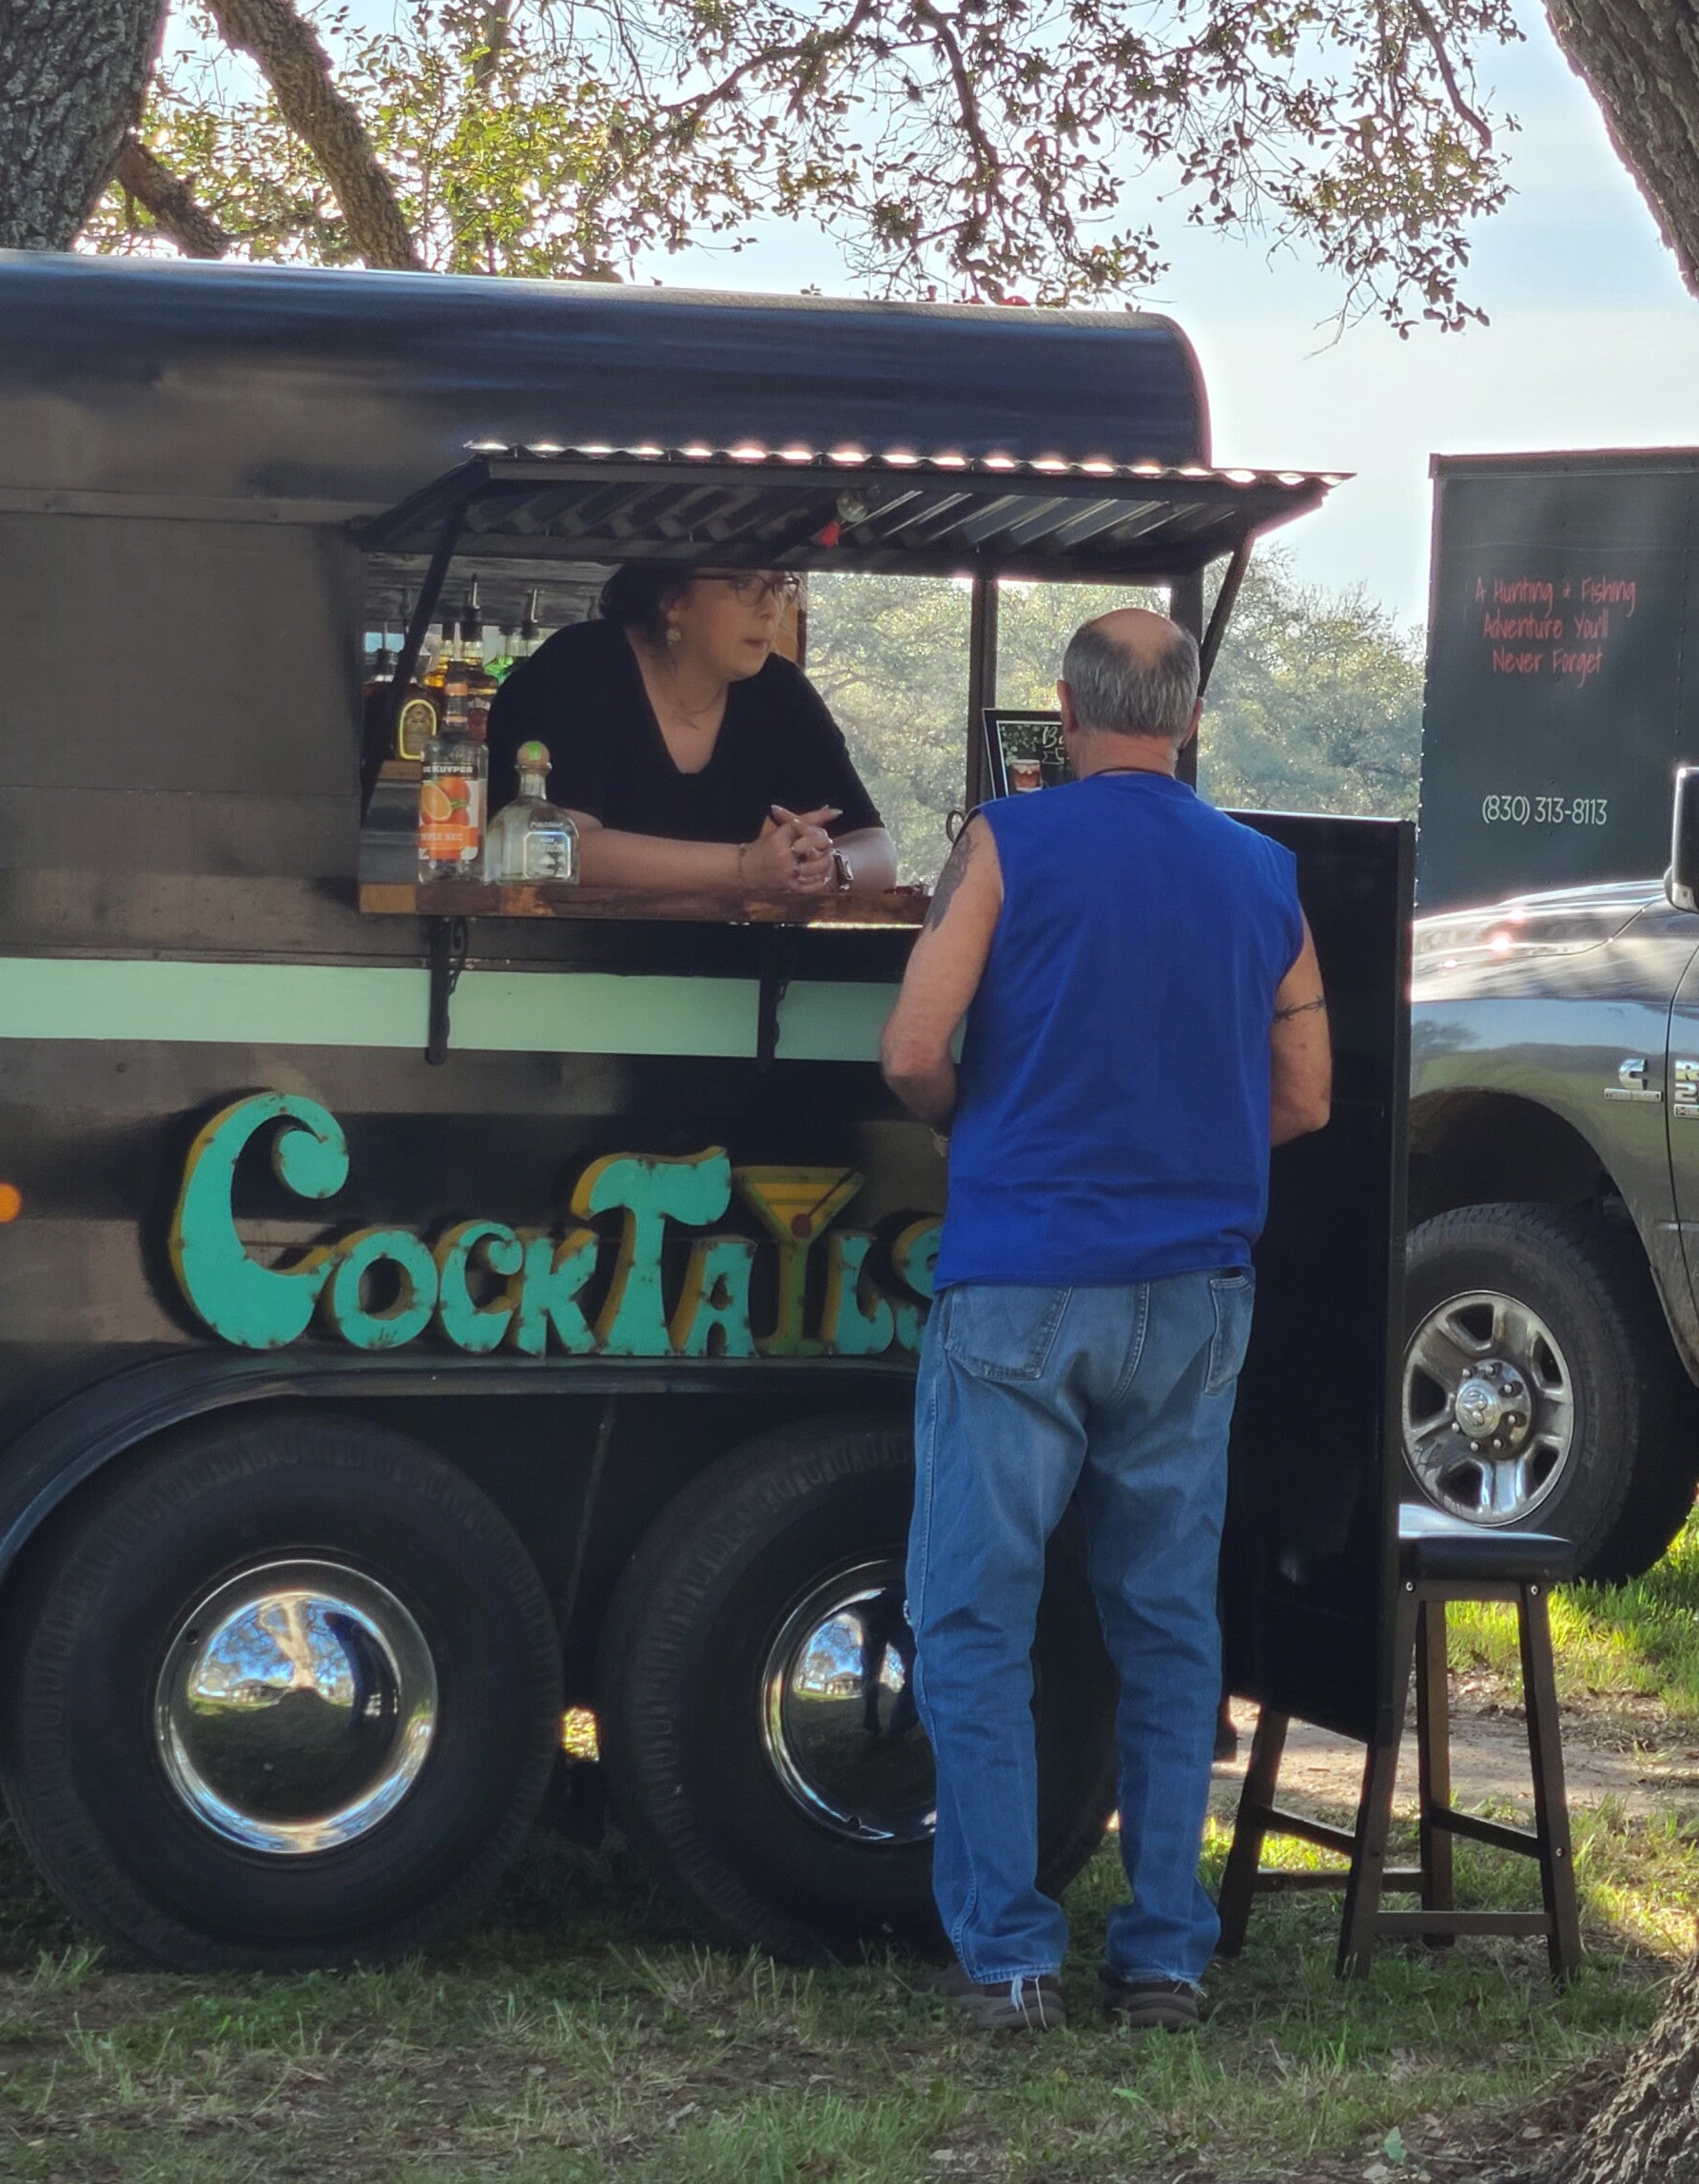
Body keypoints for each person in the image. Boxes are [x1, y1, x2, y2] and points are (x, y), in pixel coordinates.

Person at [880, 607, 1332, 2036]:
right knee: (1167, 1627)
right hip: (1194, 1293)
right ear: (1189, 719)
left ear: (1065, 717)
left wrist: (976, 1124)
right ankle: (1164, 1957)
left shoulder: (1009, 843)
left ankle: (1011, 1957)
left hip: (1022, 1273)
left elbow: (912, 1049)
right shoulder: (1262, 872)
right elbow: (1309, 1095)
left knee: (976, 1617)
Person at [483, 563, 897, 900]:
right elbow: (562, 850)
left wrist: (827, 868)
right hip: (550, 958)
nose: (771, 609)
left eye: (778, 586)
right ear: (672, 600)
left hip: (717, 964)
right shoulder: (584, 664)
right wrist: (745, 868)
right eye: (744, 583)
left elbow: (877, 849)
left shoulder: (779, 691)